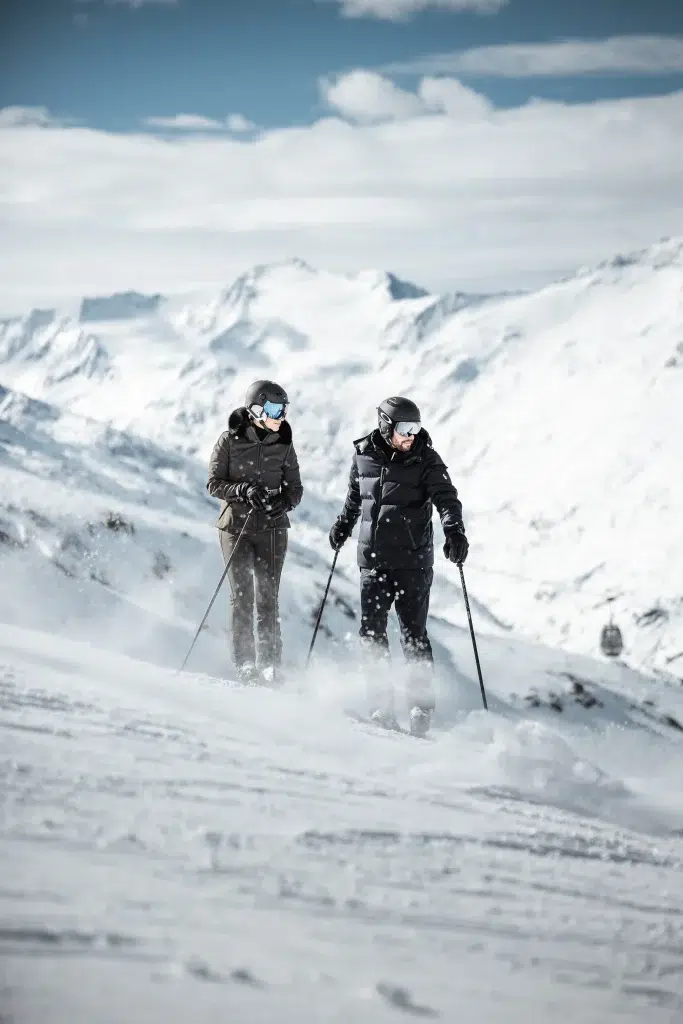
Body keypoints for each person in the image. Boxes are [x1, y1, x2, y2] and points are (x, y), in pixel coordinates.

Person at [328, 396, 468, 736]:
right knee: (372, 635)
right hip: (374, 563)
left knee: (413, 636)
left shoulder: (426, 460)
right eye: (405, 429)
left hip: (412, 564)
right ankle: (381, 706)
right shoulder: (363, 455)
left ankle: (420, 709)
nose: (412, 436)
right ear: (386, 426)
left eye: (417, 428)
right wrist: (343, 526)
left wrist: (454, 530)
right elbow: (356, 499)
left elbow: (447, 499)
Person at [207, 380, 303, 685]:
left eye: (284, 409)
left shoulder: (284, 445)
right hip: (236, 526)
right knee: (242, 594)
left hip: (272, 529)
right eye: (276, 409)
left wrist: (283, 502)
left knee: (267, 596)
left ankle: (270, 664)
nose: (281, 416)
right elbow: (213, 483)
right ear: (256, 408)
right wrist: (243, 490)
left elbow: (296, 489)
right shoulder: (229, 441)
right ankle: (245, 662)